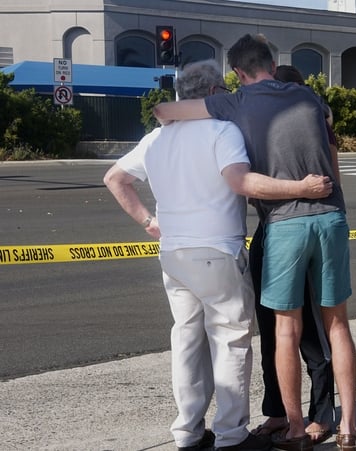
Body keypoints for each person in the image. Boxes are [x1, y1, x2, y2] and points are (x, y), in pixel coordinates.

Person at [104, 59, 333, 451]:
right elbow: (241, 182)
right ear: (212, 94)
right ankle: (231, 434)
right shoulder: (223, 131)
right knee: (230, 340)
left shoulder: (156, 139)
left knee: (187, 342)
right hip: (217, 249)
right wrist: (301, 188)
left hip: (173, 252)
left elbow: (115, 178)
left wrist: (148, 221)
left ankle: (188, 432)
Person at [154, 34, 356, 451]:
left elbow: (163, 111)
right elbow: (327, 124)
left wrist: (190, 115)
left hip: (284, 222)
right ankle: (348, 429)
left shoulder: (235, 102)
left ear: (237, 73)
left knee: (285, 329)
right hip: (331, 217)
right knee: (337, 324)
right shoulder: (308, 96)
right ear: (273, 63)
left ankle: (295, 428)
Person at [249, 64, 338, 447]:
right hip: (268, 231)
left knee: (311, 334)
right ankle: (278, 411)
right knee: (271, 330)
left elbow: (330, 183)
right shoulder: (260, 126)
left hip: (303, 229)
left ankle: (321, 414)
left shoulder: (314, 124)